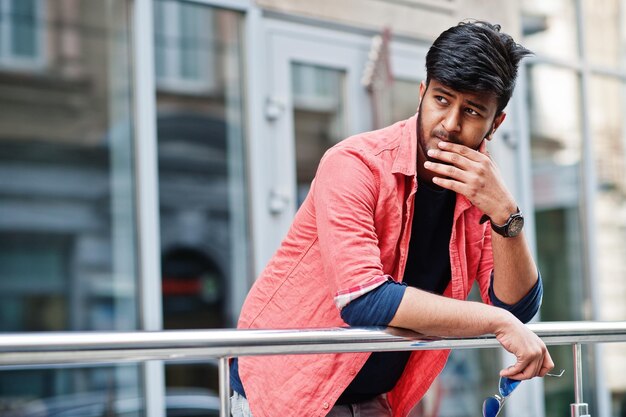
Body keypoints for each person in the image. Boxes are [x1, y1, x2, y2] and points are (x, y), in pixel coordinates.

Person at [230, 20, 554, 417]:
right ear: (422, 94)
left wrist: (506, 214)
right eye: (441, 100)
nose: (451, 124)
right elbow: (362, 299)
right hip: (285, 388)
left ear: (496, 123)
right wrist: (498, 323)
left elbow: (516, 308)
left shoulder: (479, 189)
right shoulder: (354, 164)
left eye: (471, 111)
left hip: (373, 398)